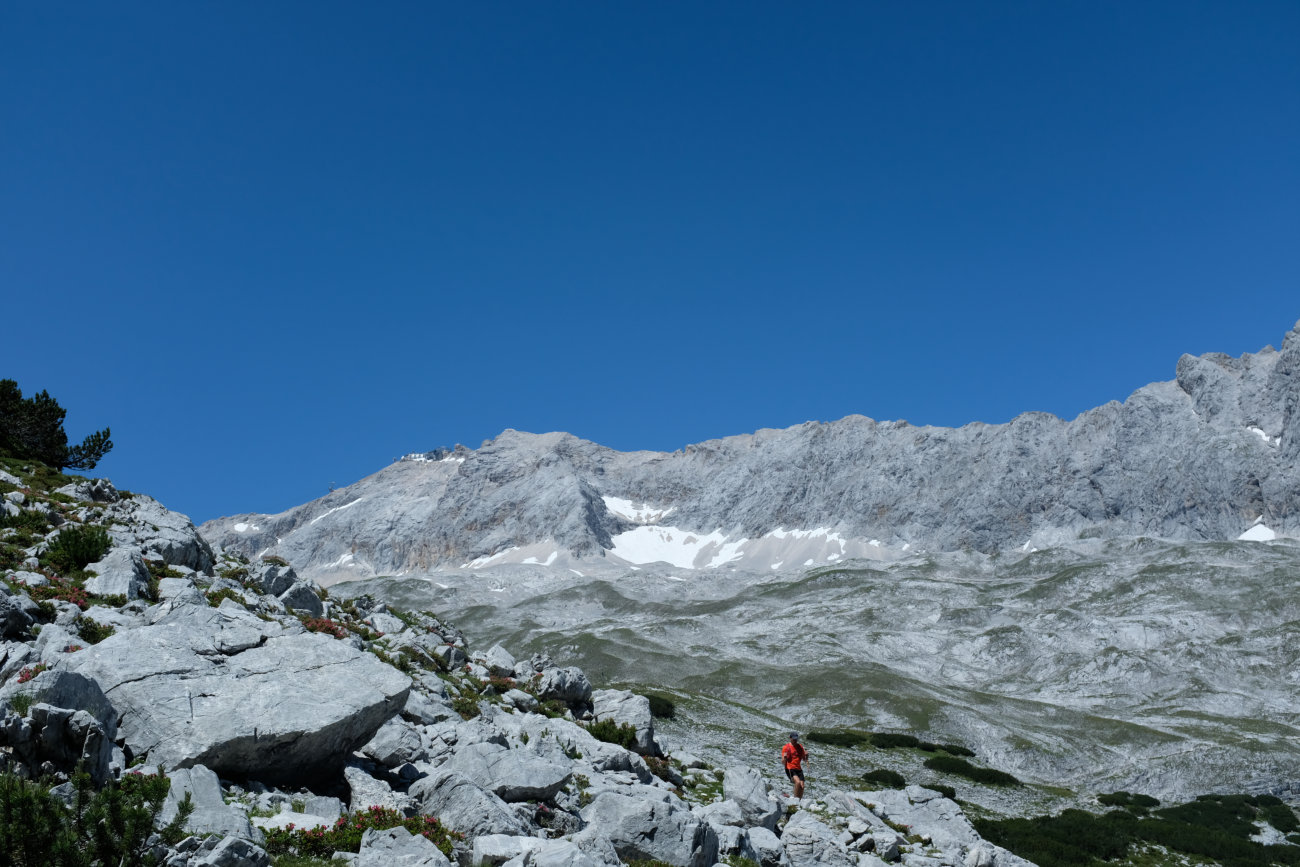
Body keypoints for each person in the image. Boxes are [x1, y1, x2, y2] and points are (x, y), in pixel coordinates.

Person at [782, 731, 808, 800]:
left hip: (798, 769)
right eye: (793, 739)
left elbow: (804, 759)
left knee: (802, 786)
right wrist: (785, 758)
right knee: (797, 782)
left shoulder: (800, 747)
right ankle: (795, 800)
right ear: (790, 738)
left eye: (796, 739)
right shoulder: (786, 747)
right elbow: (783, 762)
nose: (795, 740)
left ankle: (799, 800)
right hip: (790, 768)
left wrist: (806, 755)